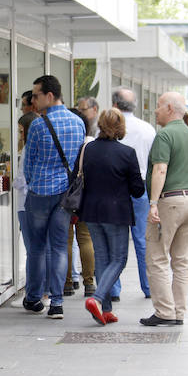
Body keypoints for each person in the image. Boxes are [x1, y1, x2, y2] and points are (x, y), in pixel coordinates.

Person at [23, 75, 86, 319]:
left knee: (37, 248)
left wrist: (33, 183)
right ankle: (57, 303)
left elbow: (29, 163)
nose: (33, 100)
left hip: (40, 192)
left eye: (36, 95)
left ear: (50, 96)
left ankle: (34, 298)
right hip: (65, 196)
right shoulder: (78, 123)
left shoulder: (38, 125)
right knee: (60, 247)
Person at [78, 108, 145, 325]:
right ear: (120, 127)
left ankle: (105, 310)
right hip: (116, 213)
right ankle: (96, 299)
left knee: (103, 258)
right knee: (119, 259)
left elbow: (76, 177)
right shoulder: (126, 153)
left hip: (91, 211)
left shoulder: (87, 149)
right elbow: (137, 190)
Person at [141, 91, 188, 327]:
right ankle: (178, 311)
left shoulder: (164, 135)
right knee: (182, 260)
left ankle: (164, 311)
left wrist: (153, 203)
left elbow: (160, 170)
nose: (155, 110)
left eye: (157, 106)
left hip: (170, 201)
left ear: (169, 109)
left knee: (156, 256)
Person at [113, 86, 155, 300]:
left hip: (116, 189)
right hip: (141, 187)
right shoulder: (148, 128)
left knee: (116, 240)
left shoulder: (111, 128)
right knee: (141, 239)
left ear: (114, 104)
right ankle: (148, 287)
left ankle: (113, 289)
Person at [16, 93, 54, 295]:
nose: (18, 134)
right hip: (43, 200)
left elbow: (23, 180)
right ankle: (47, 290)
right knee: (44, 248)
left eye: (20, 130)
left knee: (33, 250)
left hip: (27, 203)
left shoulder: (28, 149)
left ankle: (34, 292)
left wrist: (14, 180)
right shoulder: (43, 146)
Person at [64, 108, 96, 298]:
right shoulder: (90, 144)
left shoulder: (65, 141)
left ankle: (67, 283)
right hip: (84, 195)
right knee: (85, 238)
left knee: (66, 240)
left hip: (66, 195)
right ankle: (89, 283)